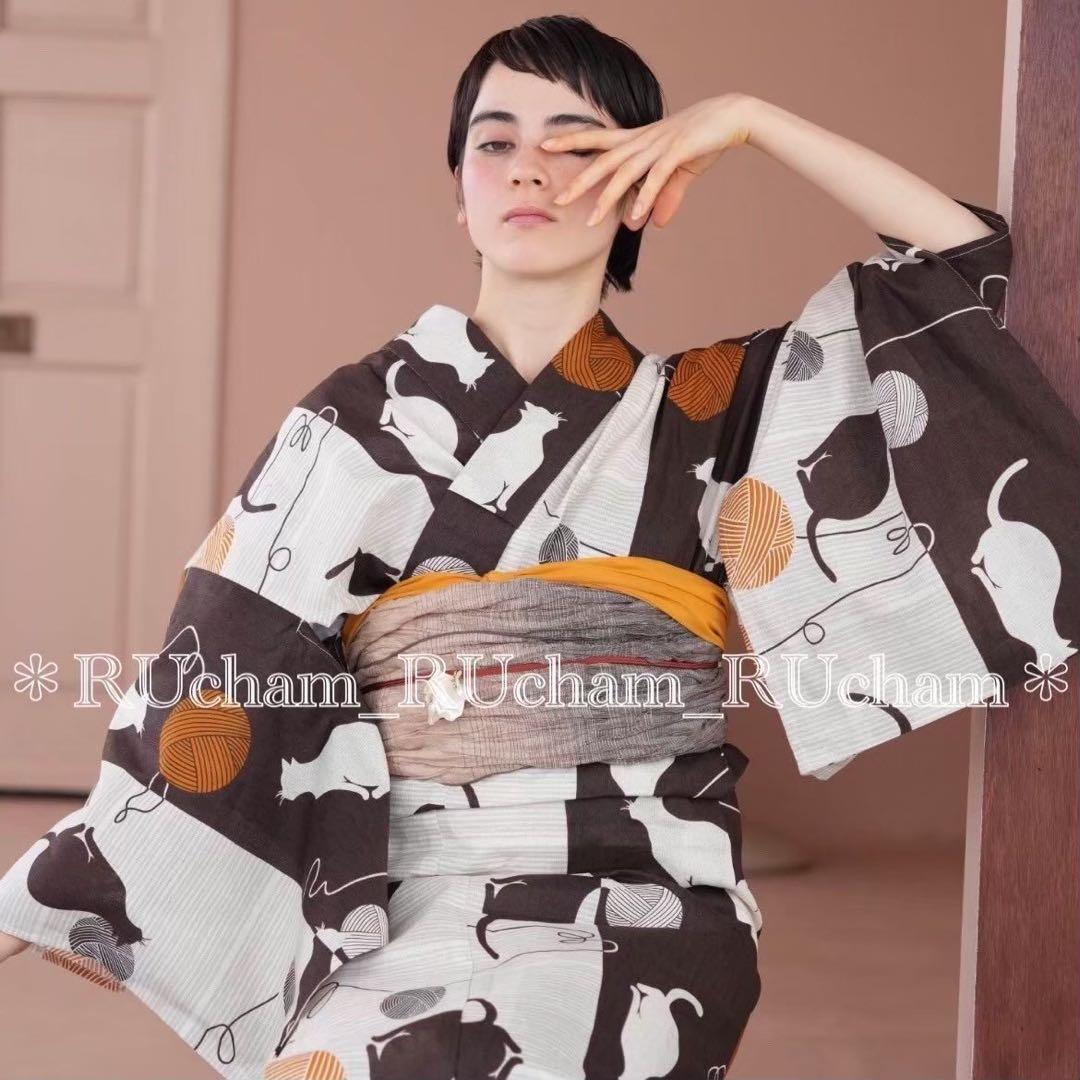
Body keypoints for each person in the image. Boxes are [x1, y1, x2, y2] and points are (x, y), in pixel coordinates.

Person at [2, 14, 1077, 1079]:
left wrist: (751, 121)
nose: (529, 169)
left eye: (578, 146)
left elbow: (970, 269)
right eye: (496, 142)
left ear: (645, 187)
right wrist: (51, 887)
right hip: (402, 899)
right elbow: (226, 663)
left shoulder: (710, 409)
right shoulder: (355, 423)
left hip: (642, 891)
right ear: (460, 195)